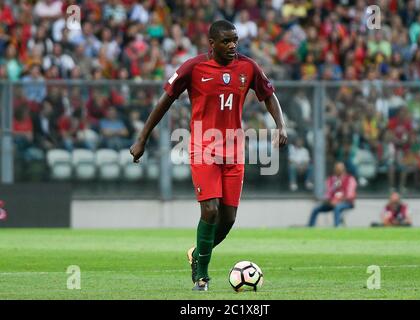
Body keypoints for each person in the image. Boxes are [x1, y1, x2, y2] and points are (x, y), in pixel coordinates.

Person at [130, 20, 288, 291]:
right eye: (226, 41)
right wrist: (142, 138)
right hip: (203, 149)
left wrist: (280, 125)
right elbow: (165, 100)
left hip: (234, 150)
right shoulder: (193, 67)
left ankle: (197, 253)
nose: (232, 45)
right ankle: (201, 276)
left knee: (228, 219)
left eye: (235, 40)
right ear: (211, 44)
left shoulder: (248, 67)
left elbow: (269, 95)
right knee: (211, 210)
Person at [308, 162, 357, 227]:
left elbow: (349, 195)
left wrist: (337, 201)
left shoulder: (350, 179)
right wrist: (324, 200)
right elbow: (328, 193)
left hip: (346, 202)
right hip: (331, 202)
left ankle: (336, 227)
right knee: (316, 209)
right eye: (336, 168)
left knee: (337, 207)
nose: (338, 170)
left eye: (340, 168)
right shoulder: (331, 179)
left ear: (344, 169)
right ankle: (310, 227)